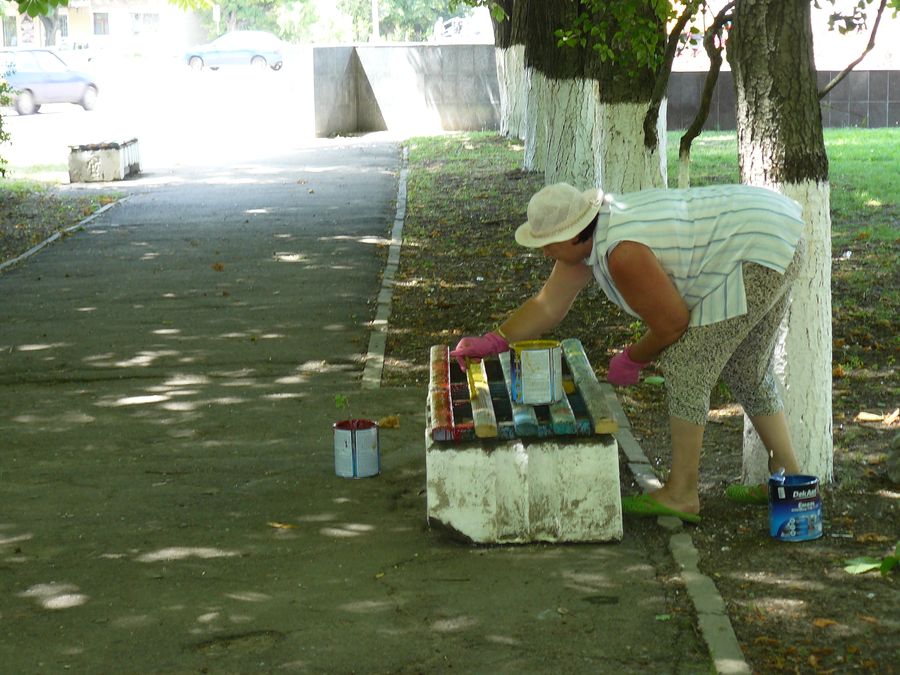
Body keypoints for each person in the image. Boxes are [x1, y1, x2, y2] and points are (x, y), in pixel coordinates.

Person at [450, 182, 807, 523]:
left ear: (573, 235)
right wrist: (494, 340)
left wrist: (634, 356)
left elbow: (672, 324)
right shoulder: (591, 238)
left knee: (686, 364)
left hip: (763, 246)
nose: (544, 253)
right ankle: (791, 481)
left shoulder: (621, 251)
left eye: (548, 244)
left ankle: (681, 493)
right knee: (746, 369)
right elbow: (547, 307)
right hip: (774, 232)